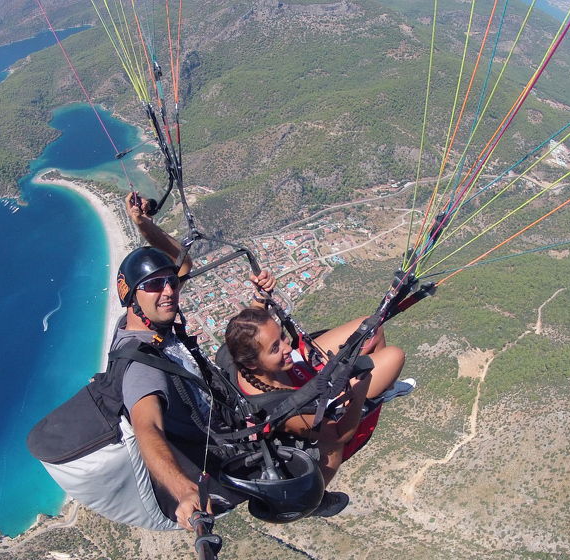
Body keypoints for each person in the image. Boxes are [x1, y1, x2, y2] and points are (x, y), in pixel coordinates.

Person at [111, 191, 269, 530]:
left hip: (224, 399)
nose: (168, 290)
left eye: (170, 284)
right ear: (132, 296)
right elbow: (147, 429)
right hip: (223, 442)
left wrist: (144, 224)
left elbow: (181, 264)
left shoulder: (150, 319)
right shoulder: (139, 364)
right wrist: (185, 492)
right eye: (155, 284)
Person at [223, 305, 408, 494]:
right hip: (323, 410)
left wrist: (259, 300)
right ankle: (319, 498)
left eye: (282, 336)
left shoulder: (236, 352)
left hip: (300, 377)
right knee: (395, 356)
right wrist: (360, 390)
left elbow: (253, 332)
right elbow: (339, 435)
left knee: (371, 328)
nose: (287, 347)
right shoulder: (281, 409)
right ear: (252, 364)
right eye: (275, 348)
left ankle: (387, 385)